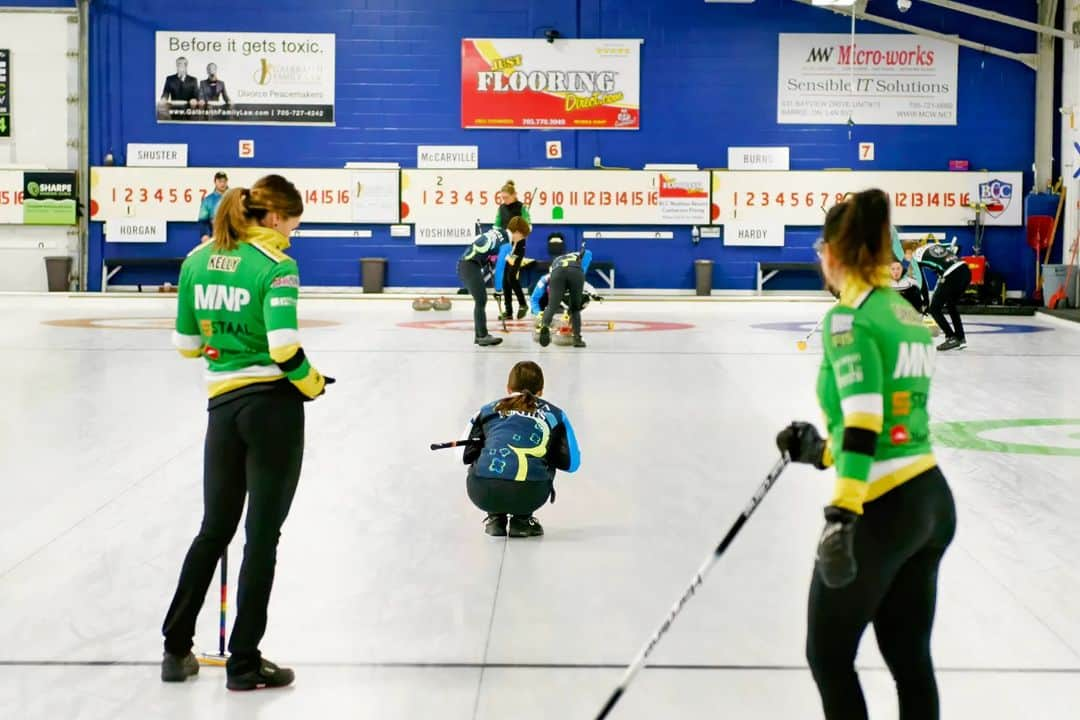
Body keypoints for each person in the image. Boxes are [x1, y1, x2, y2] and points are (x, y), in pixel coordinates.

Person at [776, 188, 956, 720]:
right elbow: (887, 425)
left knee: (828, 656)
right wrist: (819, 452)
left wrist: (842, 514)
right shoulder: (902, 312)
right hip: (929, 500)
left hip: (883, 507)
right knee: (908, 659)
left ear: (833, 253)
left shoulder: (847, 319)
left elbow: (864, 420)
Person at [162, 174, 333, 692]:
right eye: (294, 226)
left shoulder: (195, 261)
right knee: (261, 538)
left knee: (214, 529)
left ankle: (175, 649)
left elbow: (186, 345)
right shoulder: (276, 268)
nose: (293, 237)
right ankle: (242, 663)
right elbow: (284, 348)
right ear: (276, 218)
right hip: (273, 410)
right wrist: (314, 384)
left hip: (223, 408)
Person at [462, 361, 580, 538]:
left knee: (481, 459)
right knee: (544, 456)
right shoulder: (556, 414)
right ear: (540, 391)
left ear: (508, 388)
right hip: (531, 493)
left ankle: (495, 517)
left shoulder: (486, 411)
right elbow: (572, 464)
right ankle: (522, 520)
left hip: (481, 492)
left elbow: (462, 455)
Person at [457, 216, 530, 346]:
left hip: (468, 264)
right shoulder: (507, 244)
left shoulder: (498, 232)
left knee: (481, 299)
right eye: (523, 236)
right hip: (470, 265)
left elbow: (486, 249)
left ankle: (480, 335)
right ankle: (482, 336)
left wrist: (490, 258)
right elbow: (500, 269)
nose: (522, 240)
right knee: (481, 300)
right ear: (517, 232)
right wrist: (498, 290)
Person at [912, 241, 971, 351]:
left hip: (951, 274)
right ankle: (960, 338)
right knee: (951, 304)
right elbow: (956, 248)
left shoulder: (915, 257)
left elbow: (922, 282)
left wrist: (925, 302)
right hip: (965, 270)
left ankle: (950, 337)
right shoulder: (933, 245)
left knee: (934, 308)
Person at [537, 246, 592, 348]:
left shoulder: (556, 260)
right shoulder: (577, 255)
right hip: (576, 271)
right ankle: (577, 339)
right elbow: (588, 254)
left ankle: (544, 326)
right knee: (575, 308)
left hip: (557, 272)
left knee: (552, 306)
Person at [494, 180, 532, 320]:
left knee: (511, 276)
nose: (504, 200)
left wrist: (523, 229)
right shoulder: (501, 208)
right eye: (502, 197)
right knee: (504, 280)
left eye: (506, 197)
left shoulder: (522, 207)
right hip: (505, 247)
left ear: (514, 195)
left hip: (518, 246)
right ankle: (508, 311)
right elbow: (496, 225)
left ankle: (523, 304)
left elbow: (528, 225)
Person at [198, 171, 229, 239]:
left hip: (234, 238)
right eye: (220, 181)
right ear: (215, 182)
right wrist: (204, 235)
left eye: (224, 181)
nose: (222, 183)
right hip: (215, 237)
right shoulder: (208, 200)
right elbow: (203, 221)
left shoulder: (234, 198)